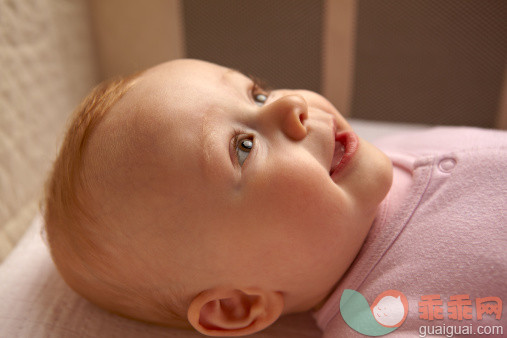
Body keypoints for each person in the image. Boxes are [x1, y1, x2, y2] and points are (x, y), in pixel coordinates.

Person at [43, 59, 506, 337]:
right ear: (236, 307)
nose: (291, 104)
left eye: (257, 94)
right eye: (242, 147)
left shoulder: (401, 151)